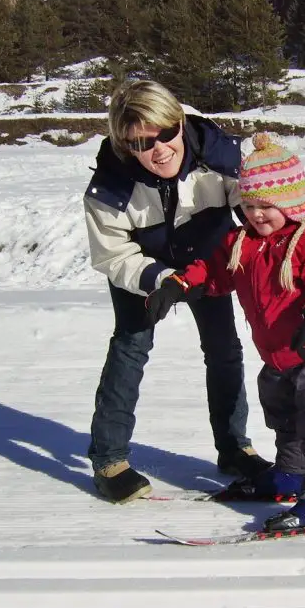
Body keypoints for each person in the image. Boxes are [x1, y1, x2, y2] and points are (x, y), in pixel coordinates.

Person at [146, 134, 305, 531]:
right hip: (276, 355)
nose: (257, 215)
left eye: (267, 206)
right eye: (249, 205)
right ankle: (294, 474)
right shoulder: (242, 243)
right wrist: (179, 284)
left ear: (291, 203)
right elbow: (213, 270)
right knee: (284, 417)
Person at [83, 80, 271, 504]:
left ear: (179, 123)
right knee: (131, 346)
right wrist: (159, 279)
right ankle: (109, 459)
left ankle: (234, 447)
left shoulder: (224, 157)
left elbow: (258, 202)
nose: (160, 149)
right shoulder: (110, 188)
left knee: (224, 348)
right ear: (124, 144)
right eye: (142, 143)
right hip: (143, 266)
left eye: (166, 133)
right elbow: (112, 254)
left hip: (208, 259)